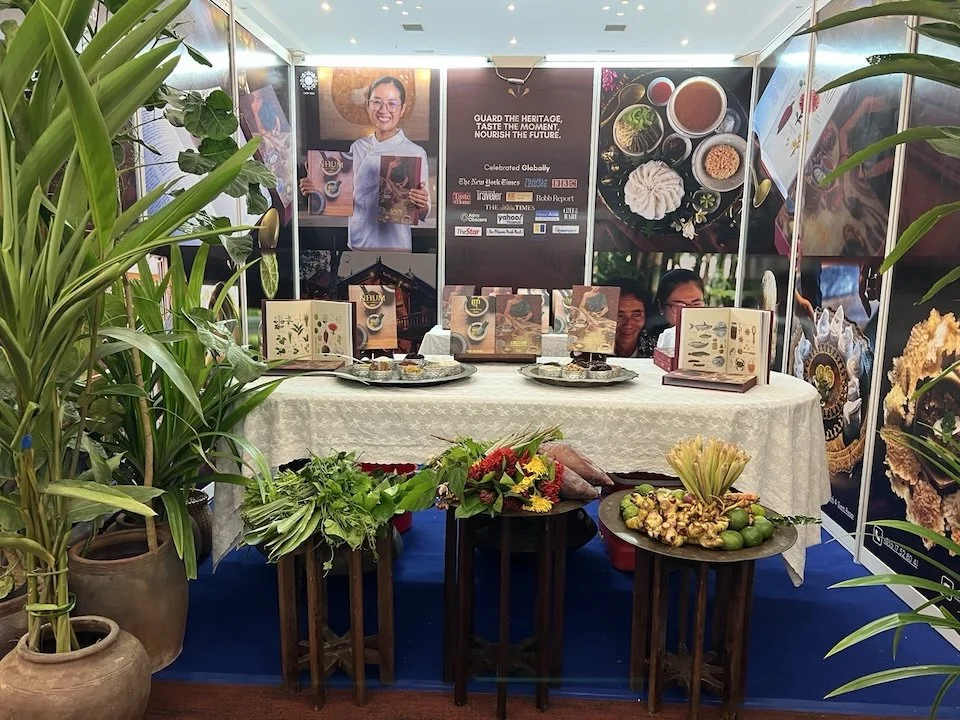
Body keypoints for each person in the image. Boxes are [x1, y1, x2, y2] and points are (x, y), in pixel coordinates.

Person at [300, 76, 430, 252]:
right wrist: (316, 188)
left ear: (402, 109)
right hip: (355, 245)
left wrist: (421, 203)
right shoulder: (357, 147)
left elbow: (422, 213)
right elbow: (342, 197)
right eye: (377, 102)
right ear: (368, 105)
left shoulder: (415, 152)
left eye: (392, 104)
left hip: (395, 249)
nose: (383, 110)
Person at [652, 268, 706, 351]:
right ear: (661, 306)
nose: (688, 313)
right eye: (678, 306)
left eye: (696, 305)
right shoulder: (646, 343)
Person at [611, 278, 656, 358]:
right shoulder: (589, 352)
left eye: (636, 315)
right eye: (619, 316)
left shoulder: (657, 348)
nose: (628, 324)